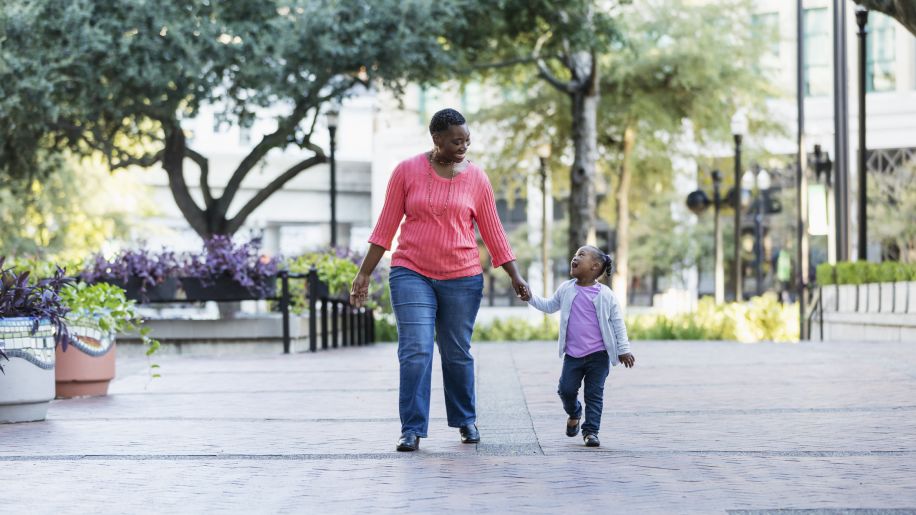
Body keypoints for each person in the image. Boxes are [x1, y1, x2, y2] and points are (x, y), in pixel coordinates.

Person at [349, 108, 529, 452]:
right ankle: (412, 428)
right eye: (455, 141)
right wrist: (364, 272)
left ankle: (465, 419)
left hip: (462, 277)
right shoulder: (406, 171)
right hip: (411, 272)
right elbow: (385, 227)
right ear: (436, 139)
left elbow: (493, 232)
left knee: (456, 352)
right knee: (415, 350)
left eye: (466, 140)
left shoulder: (477, 178)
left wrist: (514, 275)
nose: (463, 146)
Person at [525, 245, 634, 447]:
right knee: (566, 390)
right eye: (575, 254)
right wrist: (530, 297)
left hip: (599, 356)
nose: (574, 258)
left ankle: (591, 431)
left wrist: (624, 349)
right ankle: (574, 412)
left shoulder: (605, 294)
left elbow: (618, 323)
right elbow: (549, 306)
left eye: (581, 255)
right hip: (573, 356)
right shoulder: (566, 288)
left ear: (594, 266)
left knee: (594, 394)